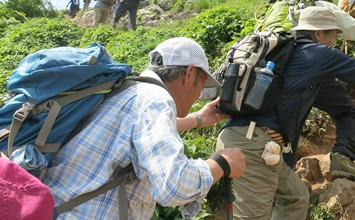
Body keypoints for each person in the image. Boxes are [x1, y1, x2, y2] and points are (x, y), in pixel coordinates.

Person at [45, 37, 246, 219]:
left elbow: (138, 135)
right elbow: (174, 185)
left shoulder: (127, 89)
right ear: (190, 73)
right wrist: (222, 163)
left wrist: (198, 119)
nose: (200, 92)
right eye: (202, 83)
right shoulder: (156, 101)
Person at [216, 7, 355, 220]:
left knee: (296, 197)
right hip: (253, 145)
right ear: (318, 33)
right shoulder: (319, 53)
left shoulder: (287, 55)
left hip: (248, 138)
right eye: (332, 34)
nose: (335, 41)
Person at [311, 0, 355, 180]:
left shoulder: (287, 9)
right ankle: (342, 157)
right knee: (346, 109)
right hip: (315, 67)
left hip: (279, 72)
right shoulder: (324, 7)